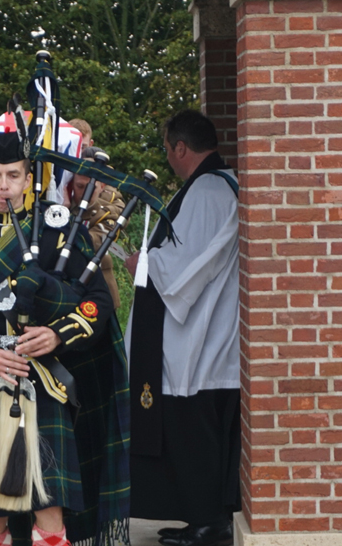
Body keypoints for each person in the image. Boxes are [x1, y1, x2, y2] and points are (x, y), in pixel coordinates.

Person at [0, 127, 131, 546]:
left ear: (28, 178)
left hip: (45, 379)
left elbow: (98, 303)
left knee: (50, 505)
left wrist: (57, 335)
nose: (4, 186)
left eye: (13, 176)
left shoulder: (59, 233)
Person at [124, 110, 240, 546]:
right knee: (194, 435)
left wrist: (144, 264)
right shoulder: (213, 185)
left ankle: (210, 522)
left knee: (197, 436)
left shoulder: (209, 190)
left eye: (168, 149)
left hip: (202, 339)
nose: (169, 158)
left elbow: (190, 265)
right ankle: (199, 517)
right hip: (202, 333)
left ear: (180, 148)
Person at [68, 146, 125, 310]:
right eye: (79, 186)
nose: (85, 193)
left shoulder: (109, 212)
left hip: (99, 292)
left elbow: (94, 242)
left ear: (102, 186)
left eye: (91, 187)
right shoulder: (65, 205)